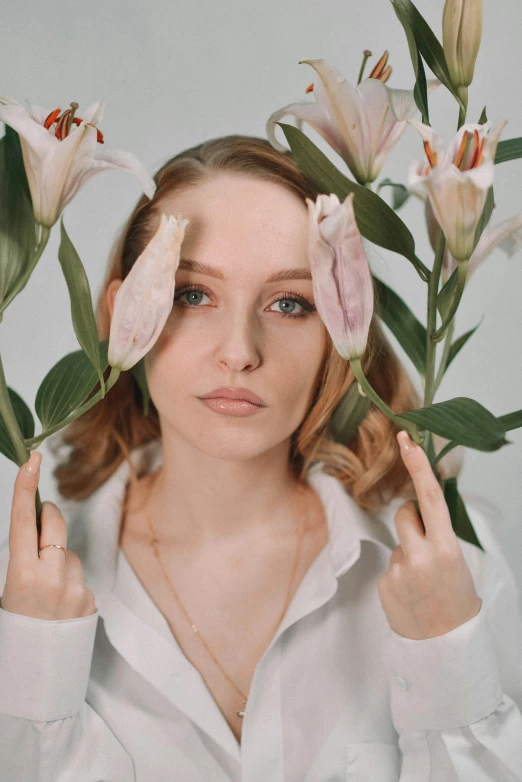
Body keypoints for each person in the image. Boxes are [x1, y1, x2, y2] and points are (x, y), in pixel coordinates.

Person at [0, 135, 521, 782]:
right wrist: (33, 669)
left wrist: (447, 650)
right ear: (122, 314)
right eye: (192, 294)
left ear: (342, 327)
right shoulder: (26, 595)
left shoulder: (455, 567)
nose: (240, 351)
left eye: (289, 303)